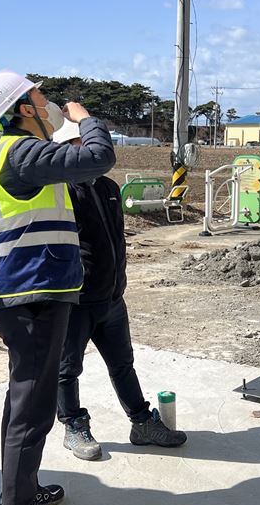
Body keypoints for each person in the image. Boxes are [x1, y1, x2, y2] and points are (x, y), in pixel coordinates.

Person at [0, 70, 116, 505]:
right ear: (24, 108)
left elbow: (9, 230)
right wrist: (87, 119)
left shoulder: (11, 156)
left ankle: (22, 493)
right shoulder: (22, 151)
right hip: (35, 296)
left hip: (31, 290)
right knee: (32, 408)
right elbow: (97, 157)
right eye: (40, 94)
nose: (50, 100)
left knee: (24, 401)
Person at [50, 120, 188, 460]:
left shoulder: (109, 188)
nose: (84, 150)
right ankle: (73, 425)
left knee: (123, 364)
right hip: (76, 301)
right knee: (67, 369)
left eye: (86, 143)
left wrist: (117, 284)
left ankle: (141, 423)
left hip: (112, 298)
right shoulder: (58, 192)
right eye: (76, 144)